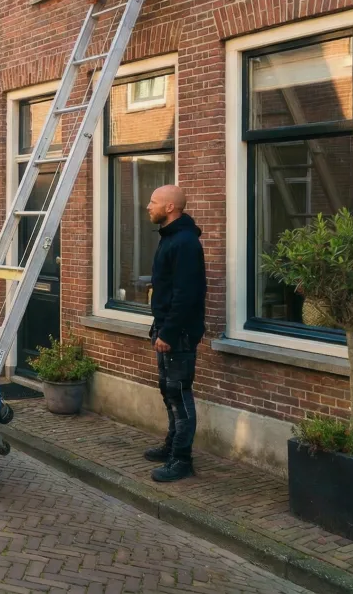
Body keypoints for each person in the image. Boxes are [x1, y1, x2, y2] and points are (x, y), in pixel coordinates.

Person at [143, 184, 207, 483]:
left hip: (177, 333)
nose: (148, 206)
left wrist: (168, 332)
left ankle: (181, 460)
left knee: (180, 395)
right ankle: (171, 446)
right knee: (168, 391)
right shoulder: (171, 238)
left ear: (170, 208)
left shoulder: (184, 242)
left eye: (153, 202)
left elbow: (187, 293)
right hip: (167, 327)